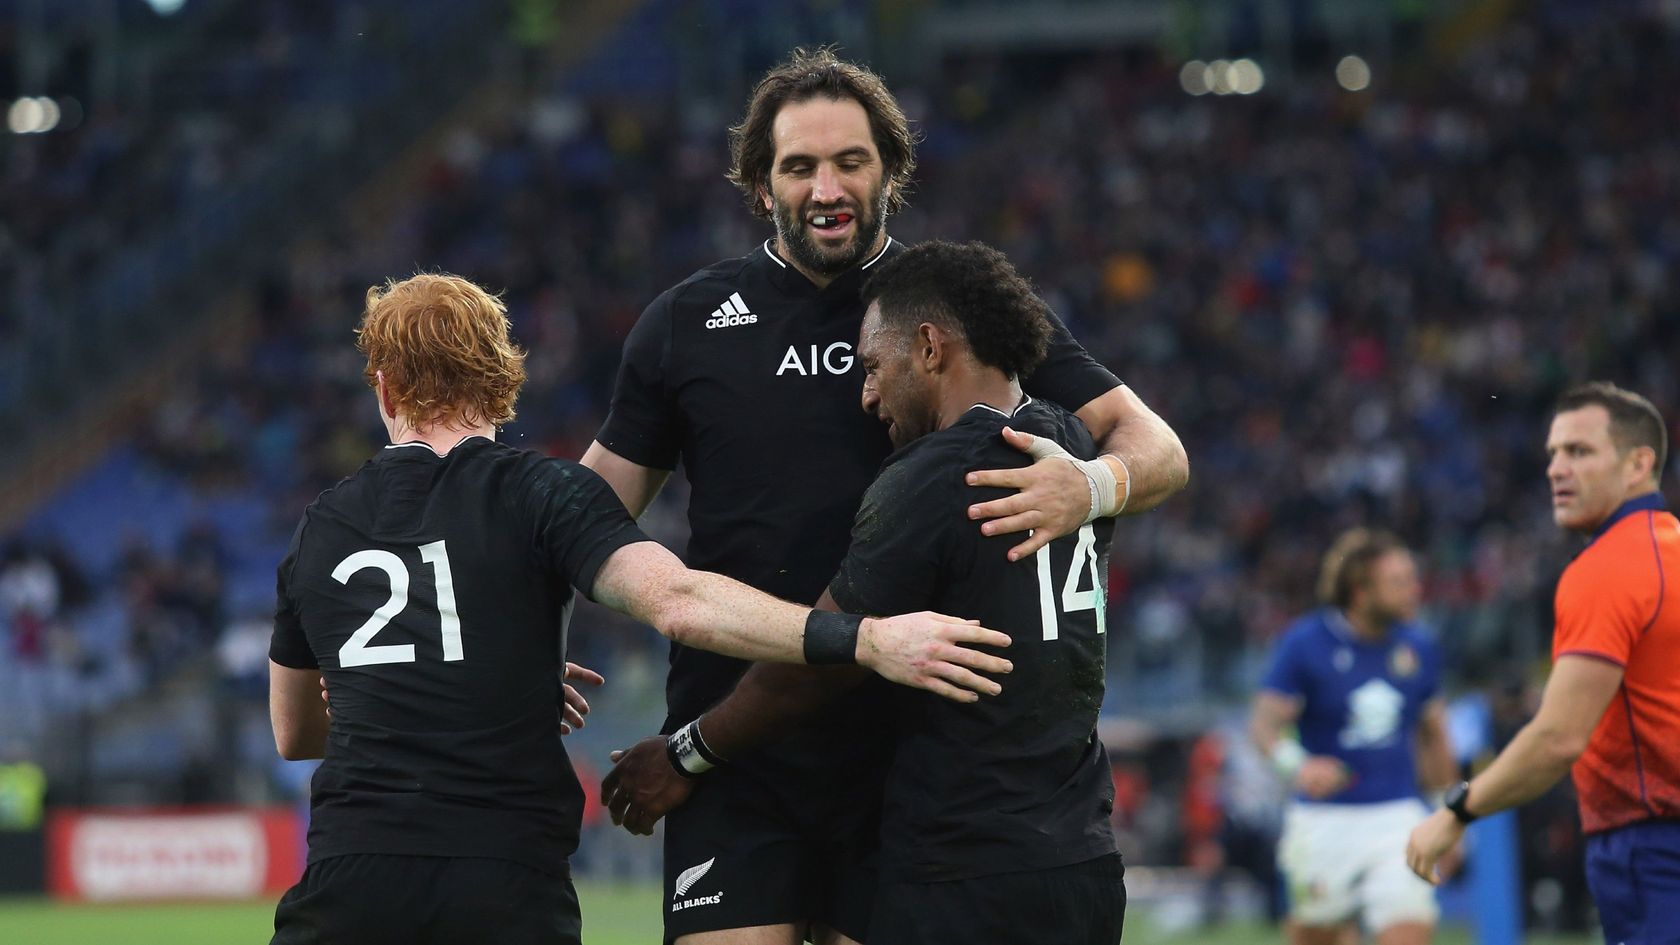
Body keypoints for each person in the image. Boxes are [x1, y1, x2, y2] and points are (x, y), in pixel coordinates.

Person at [582, 46, 1187, 945]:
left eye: (851, 162)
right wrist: (514, 641)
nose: (827, 187)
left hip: (903, 757)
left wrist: (1089, 486)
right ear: (760, 184)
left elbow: (1159, 448)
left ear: (891, 172)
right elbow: (589, 514)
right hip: (737, 738)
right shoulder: (686, 323)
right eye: (799, 167)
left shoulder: (959, 302)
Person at [265, 273, 1015, 945]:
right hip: (502, 884)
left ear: (385, 389)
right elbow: (679, 602)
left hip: (348, 879)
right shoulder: (543, 493)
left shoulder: (322, 525)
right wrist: (865, 637)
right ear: (502, 385)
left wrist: (456, 685)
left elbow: (296, 730)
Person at [610, 240, 1128, 944]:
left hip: (964, 864)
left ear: (929, 347)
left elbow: (815, 670)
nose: (866, 394)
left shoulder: (935, 476)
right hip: (1082, 856)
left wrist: (686, 751)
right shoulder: (1070, 455)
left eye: (874, 367)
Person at [1407, 382, 1680, 945]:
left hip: (1654, 846)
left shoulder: (1605, 569)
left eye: (1579, 452)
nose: (1557, 468)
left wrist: (1456, 811)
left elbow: (1558, 738)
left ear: (1639, 464)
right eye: (1553, 453)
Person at [1249, 528, 1456, 945]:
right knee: (1316, 935)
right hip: (1323, 819)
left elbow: (1434, 735)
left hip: (1398, 816)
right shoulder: (1305, 643)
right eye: (1399, 583)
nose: (1415, 590)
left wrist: (1446, 815)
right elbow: (1263, 727)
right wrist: (1299, 765)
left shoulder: (1419, 647)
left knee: (1407, 932)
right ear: (1360, 592)